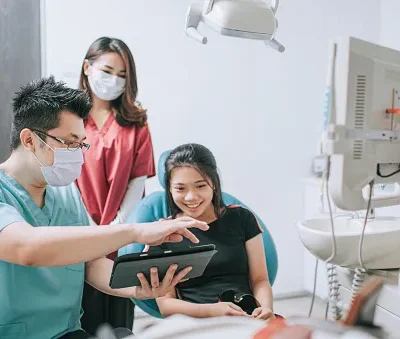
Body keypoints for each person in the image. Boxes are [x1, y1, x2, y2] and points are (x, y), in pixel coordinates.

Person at [0, 77, 209, 339]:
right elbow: (27, 248)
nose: (78, 153)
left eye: (81, 144)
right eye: (69, 142)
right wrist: (134, 231)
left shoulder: (67, 194)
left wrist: (135, 288)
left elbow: (90, 263)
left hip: (68, 333)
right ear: (30, 140)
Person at [74, 37, 156, 334]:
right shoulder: (68, 117)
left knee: (118, 320)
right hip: (76, 231)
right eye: (108, 71)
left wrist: (115, 229)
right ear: (87, 67)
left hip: (120, 236)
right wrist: (89, 228)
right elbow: (60, 177)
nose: (114, 81)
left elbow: (137, 182)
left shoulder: (136, 122)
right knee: (80, 315)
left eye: (122, 76)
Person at [147, 143, 274, 320]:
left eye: (200, 186)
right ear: (169, 188)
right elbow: (166, 305)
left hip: (247, 318)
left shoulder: (242, 218)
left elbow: (260, 280)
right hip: (196, 323)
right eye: (180, 188)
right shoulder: (163, 233)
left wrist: (265, 309)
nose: (191, 197)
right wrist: (214, 311)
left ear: (214, 183)